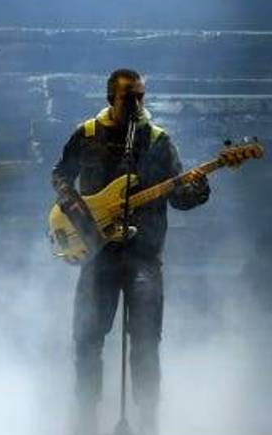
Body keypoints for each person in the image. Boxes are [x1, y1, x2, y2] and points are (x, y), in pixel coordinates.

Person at [50, 68, 210, 435]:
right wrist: (75, 208)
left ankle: (148, 420)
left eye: (141, 95)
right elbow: (60, 173)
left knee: (146, 342)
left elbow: (179, 197)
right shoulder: (87, 134)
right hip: (97, 256)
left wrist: (197, 190)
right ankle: (85, 419)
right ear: (111, 98)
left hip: (143, 257)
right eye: (129, 97)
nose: (138, 103)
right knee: (86, 338)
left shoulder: (158, 141)